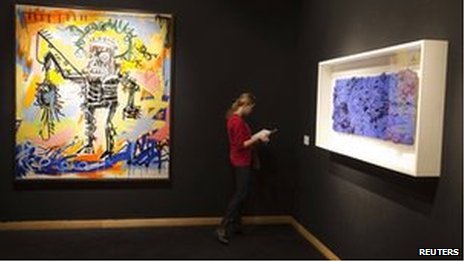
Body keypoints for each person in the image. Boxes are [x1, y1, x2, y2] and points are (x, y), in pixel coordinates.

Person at [215, 92, 271, 244]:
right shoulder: (237, 122)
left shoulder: (234, 119)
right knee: (240, 194)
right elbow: (241, 145)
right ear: (245, 105)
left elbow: (243, 142)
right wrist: (258, 136)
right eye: (251, 108)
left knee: (241, 193)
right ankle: (223, 226)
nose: (251, 111)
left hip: (239, 159)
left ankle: (235, 224)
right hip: (241, 161)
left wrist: (257, 139)